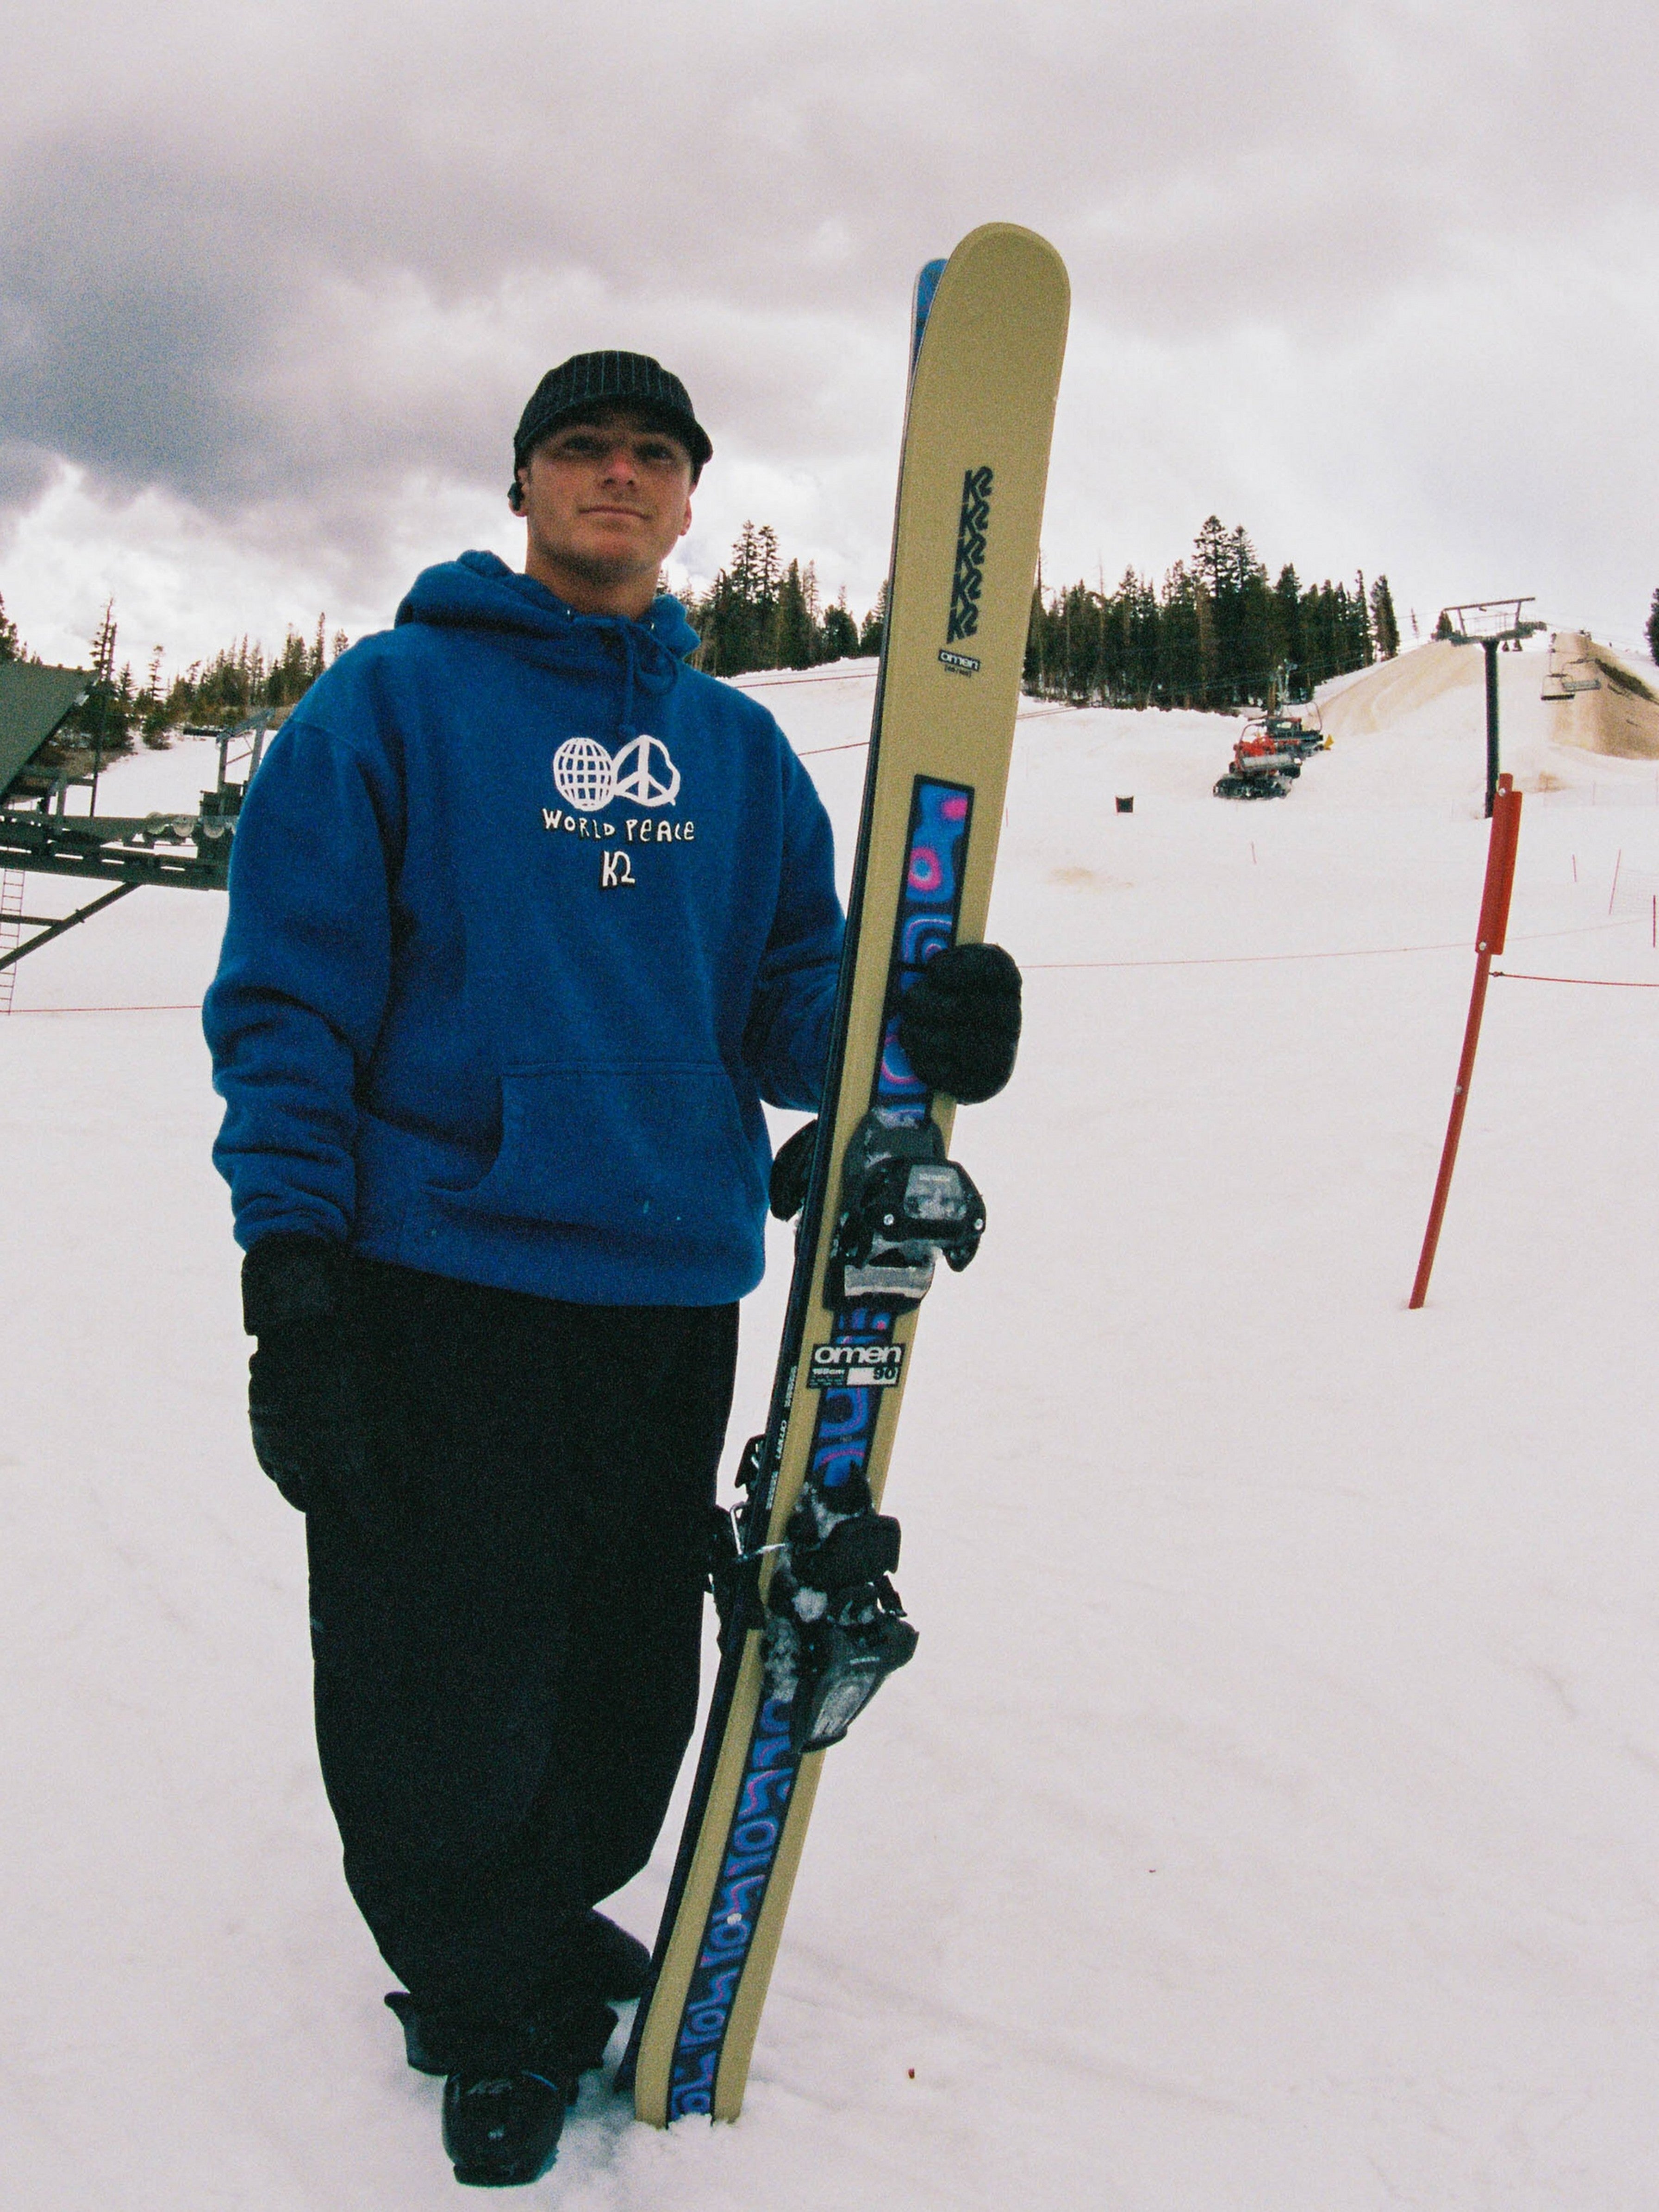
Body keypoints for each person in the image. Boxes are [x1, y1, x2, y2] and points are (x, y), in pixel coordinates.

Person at [203, 350, 1021, 2188]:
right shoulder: (389, 706)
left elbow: (789, 1007)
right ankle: (476, 1998)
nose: (619, 475)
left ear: (688, 498)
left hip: (665, 1289)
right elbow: (288, 1011)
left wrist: (921, 1019)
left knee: (620, 1669)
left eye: (655, 453)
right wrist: (293, 1283)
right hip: (440, 1282)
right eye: (582, 447)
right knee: (444, 1669)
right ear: (522, 485)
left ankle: (543, 1913)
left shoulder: (736, 754)